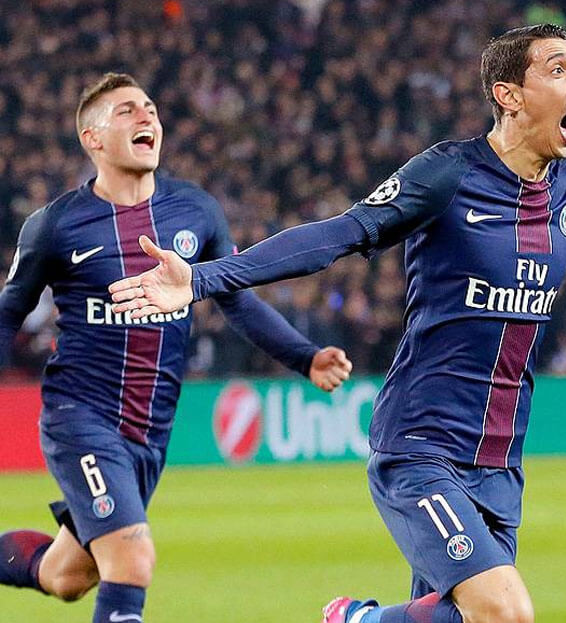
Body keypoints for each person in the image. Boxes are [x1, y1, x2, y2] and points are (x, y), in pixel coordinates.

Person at [108, 26, 566, 623]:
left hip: (502, 463)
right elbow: (340, 234)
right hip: (421, 447)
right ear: (509, 94)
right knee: (506, 608)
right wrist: (201, 278)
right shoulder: (447, 173)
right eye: (559, 69)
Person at [0, 73, 352, 623]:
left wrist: (303, 356)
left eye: (151, 109)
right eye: (126, 112)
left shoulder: (196, 212)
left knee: (69, 576)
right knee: (133, 558)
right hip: (81, 416)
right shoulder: (54, 226)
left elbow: (235, 299)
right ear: (92, 139)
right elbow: (7, 314)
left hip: (149, 432)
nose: (147, 117)